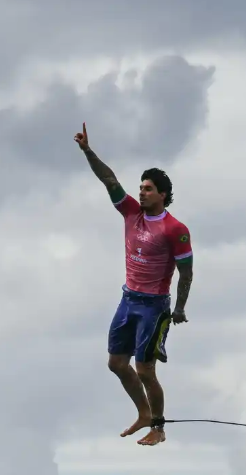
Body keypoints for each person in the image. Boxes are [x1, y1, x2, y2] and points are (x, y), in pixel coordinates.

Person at [74, 122, 192, 446]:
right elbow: (109, 179)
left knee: (145, 370)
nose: (141, 192)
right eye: (140, 187)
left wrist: (179, 308)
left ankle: (158, 426)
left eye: (148, 189)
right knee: (116, 363)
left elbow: (187, 272)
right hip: (128, 300)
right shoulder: (130, 213)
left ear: (163, 195)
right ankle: (143, 412)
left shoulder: (175, 229)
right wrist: (87, 151)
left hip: (154, 307)